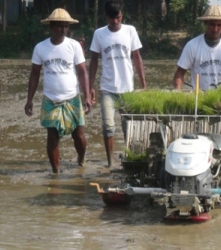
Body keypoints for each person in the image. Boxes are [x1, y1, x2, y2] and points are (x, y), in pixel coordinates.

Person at [24, 8, 92, 174]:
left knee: (79, 137)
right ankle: (56, 172)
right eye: (60, 26)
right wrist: (29, 99)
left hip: (72, 98)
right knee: (53, 138)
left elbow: (83, 72)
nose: (63, 29)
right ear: (51, 27)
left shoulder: (74, 46)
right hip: (51, 100)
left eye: (66, 26)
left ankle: (81, 158)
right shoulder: (41, 48)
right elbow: (34, 74)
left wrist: (87, 96)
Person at [89, 0, 146, 168]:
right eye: (112, 18)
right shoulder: (99, 34)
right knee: (108, 126)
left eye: (118, 18)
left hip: (127, 88)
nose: (115, 22)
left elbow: (137, 57)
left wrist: (143, 84)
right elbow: (93, 61)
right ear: (106, 16)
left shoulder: (130, 31)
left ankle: (130, 160)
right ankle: (110, 161)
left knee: (129, 126)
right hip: (107, 88)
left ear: (122, 16)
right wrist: (90, 87)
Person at [173, 5, 221, 91]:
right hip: (199, 97)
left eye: (219, 25)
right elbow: (179, 73)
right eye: (212, 24)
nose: (215, 29)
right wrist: (177, 90)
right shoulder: (192, 45)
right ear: (205, 22)